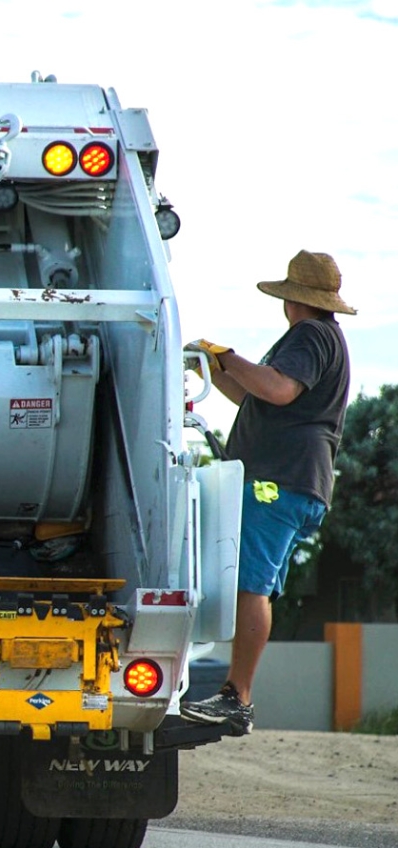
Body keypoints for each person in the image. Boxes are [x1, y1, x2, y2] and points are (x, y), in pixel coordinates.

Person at [180, 250, 354, 735]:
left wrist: (227, 356)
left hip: (280, 481)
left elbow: (276, 390)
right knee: (250, 584)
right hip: (293, 481)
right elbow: (257, 395)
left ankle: (237, 698)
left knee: (251, 585)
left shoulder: (311, 335)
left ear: (291, 299)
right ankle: (236, 694)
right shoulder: (318, 339)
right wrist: (215, 371)